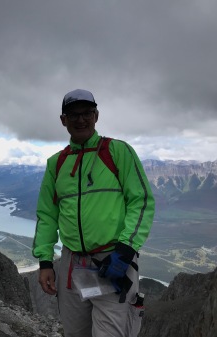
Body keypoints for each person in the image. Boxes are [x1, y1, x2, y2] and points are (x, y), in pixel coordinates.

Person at [32, 89, 155, 337]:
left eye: (86, 113)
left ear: (96, 116)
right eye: (73, 115)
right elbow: (47, 215)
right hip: (71, 264)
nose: (80, 120)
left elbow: (141, 202)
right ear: (63, 120)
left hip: (114, 262)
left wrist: (126, 249)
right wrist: (45, 261)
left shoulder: (118, 152)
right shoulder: (56, 163)